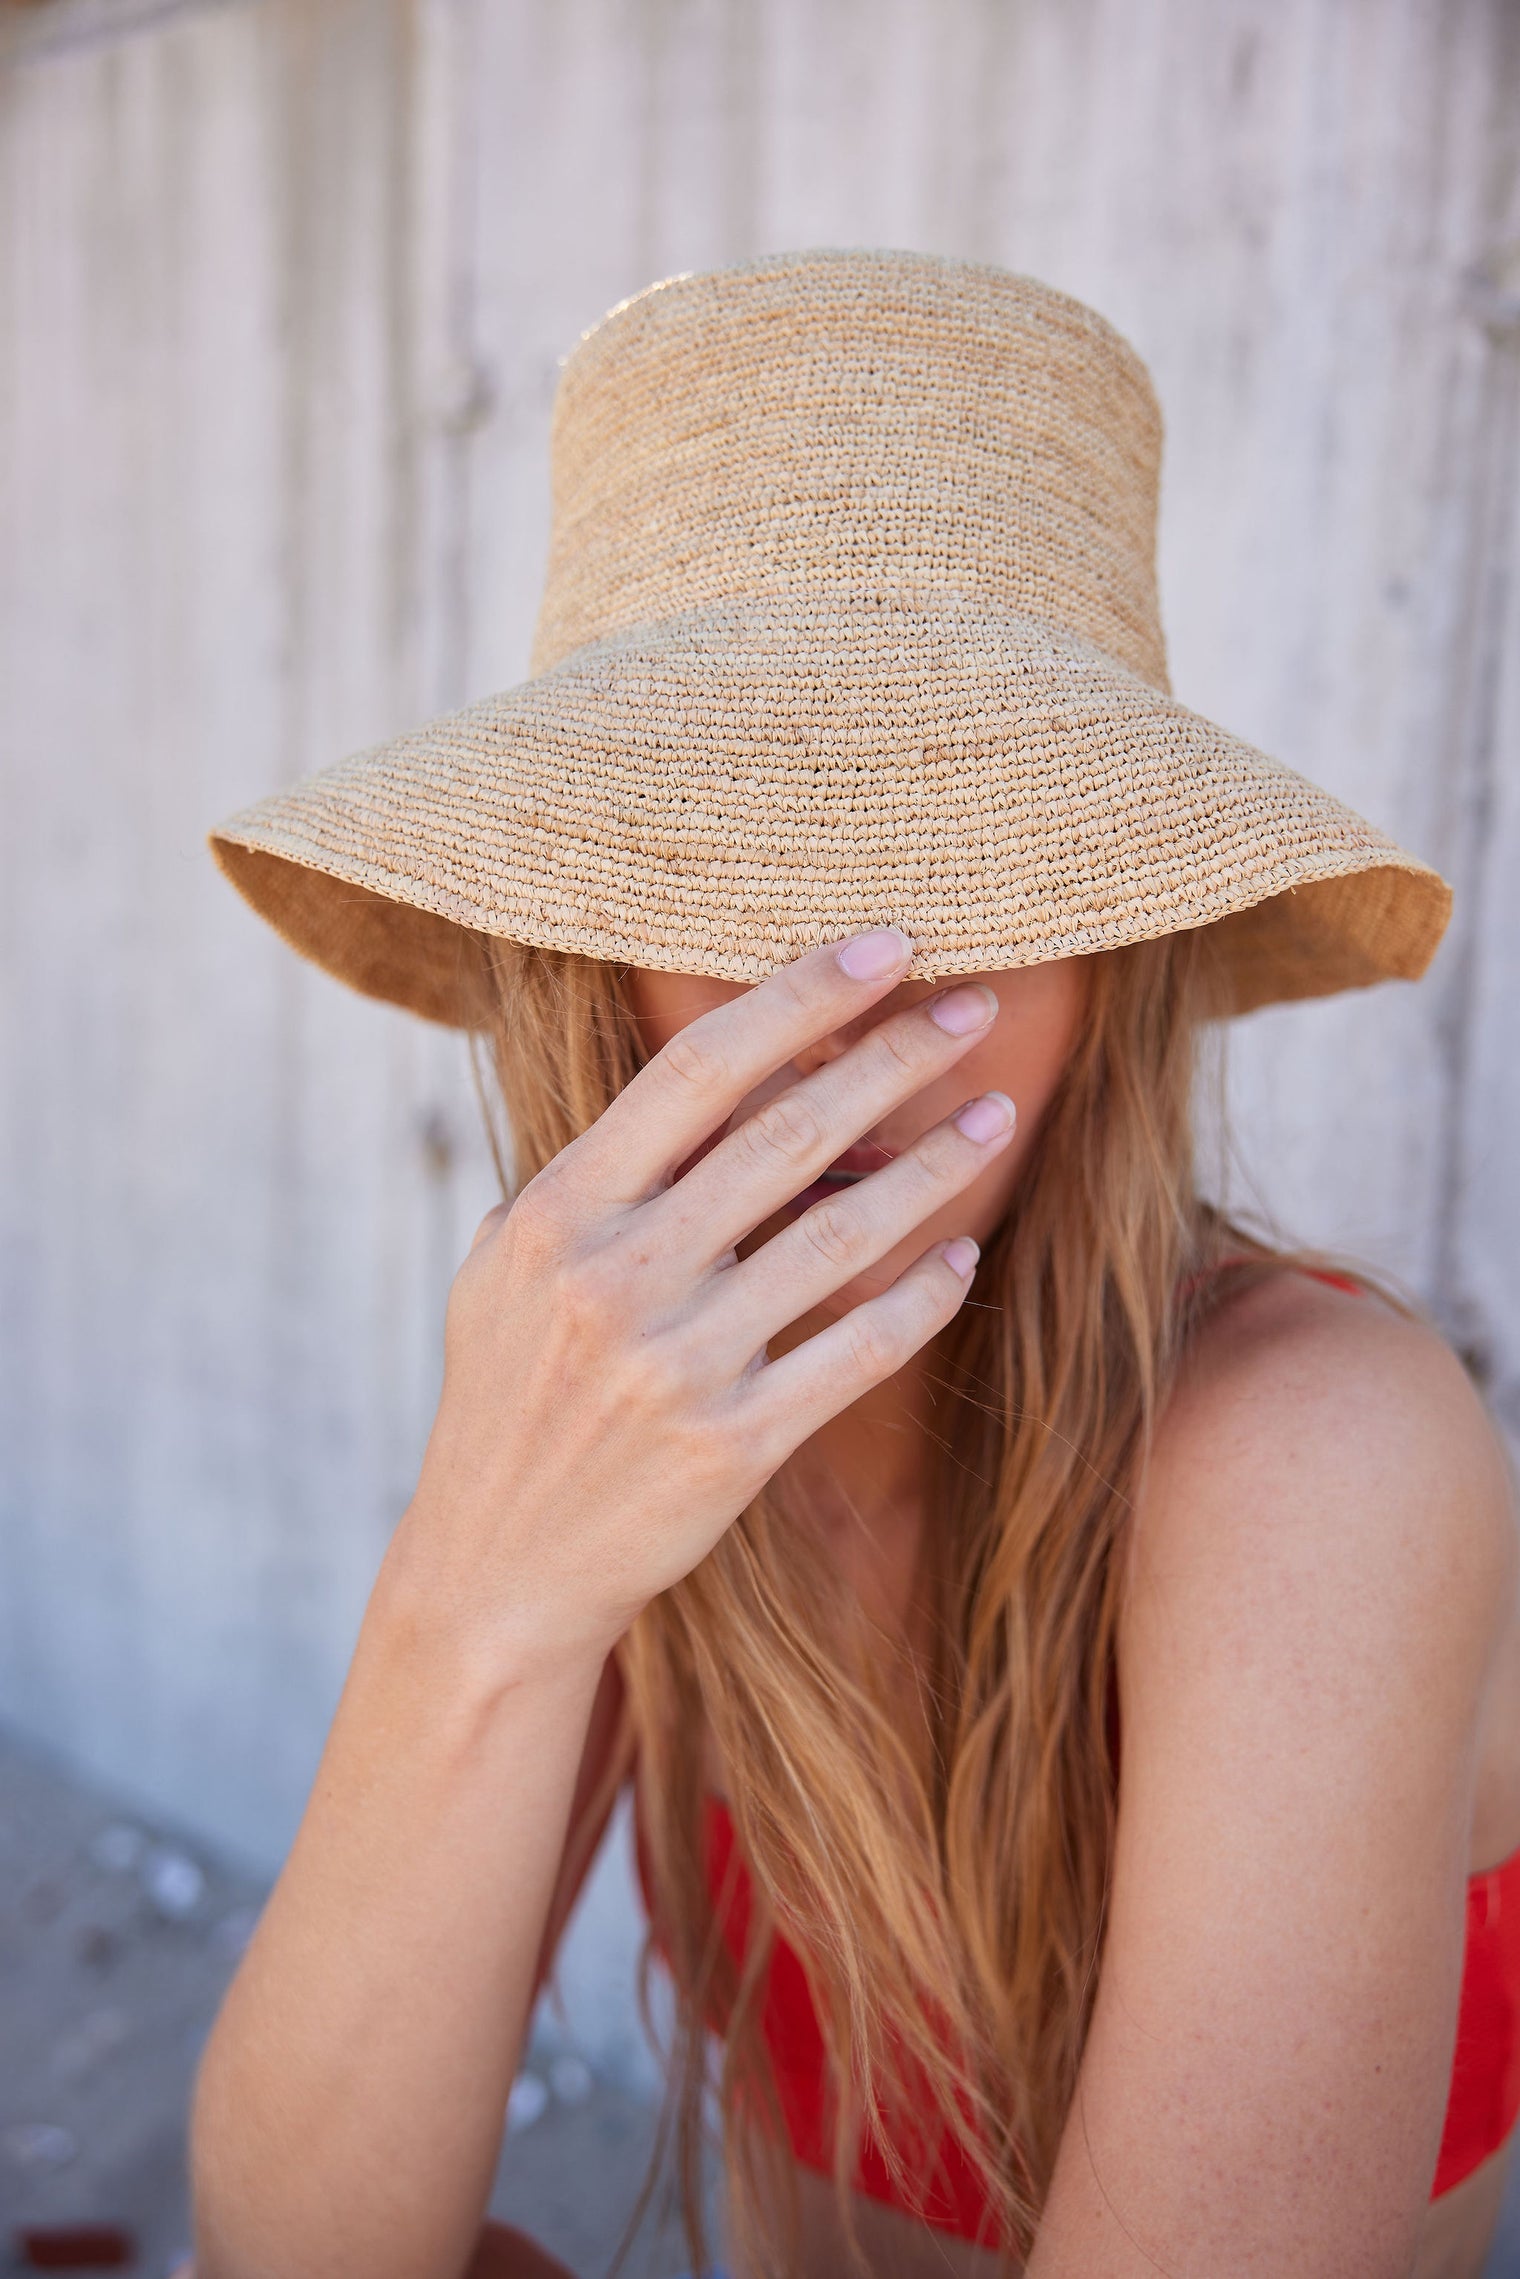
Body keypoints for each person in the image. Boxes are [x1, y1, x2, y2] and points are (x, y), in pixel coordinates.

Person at [188, 252, 1518, 2279]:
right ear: (583, 961)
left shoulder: (1310, 1460)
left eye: (966, 877)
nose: (840, 998)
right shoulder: (644, 1426)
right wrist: (484, 1580)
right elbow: (292, 2242)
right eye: (718, 867)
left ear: (1113, 958)